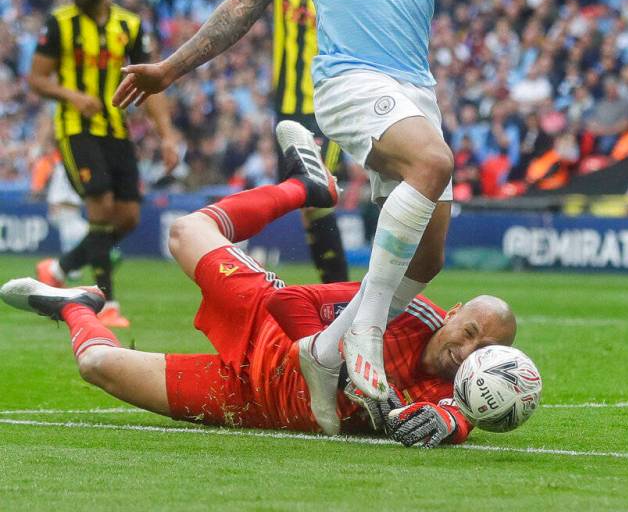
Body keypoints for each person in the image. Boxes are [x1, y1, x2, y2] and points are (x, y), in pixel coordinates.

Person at [113, 0, 539, 401]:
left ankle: (322, 351)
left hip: (415, 88)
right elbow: (245, 4)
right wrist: (171, 69)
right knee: (434, 161)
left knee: (427, 260)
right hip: (346, 80)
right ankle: (361, 335)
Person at [0, 122, 517, 445]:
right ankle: (303, 186)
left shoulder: (463, 389)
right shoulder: (407, 309)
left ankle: (77, 304)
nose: (469, 350)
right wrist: (326, 359)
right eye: (471, 330)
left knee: (97, 366)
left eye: (486, 347)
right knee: (185, 231)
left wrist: (455, 425)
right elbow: (293, 301)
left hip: (252, 404)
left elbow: (461, 415)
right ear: (451, 313)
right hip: (261, 322)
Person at [172, 0, 349, 284]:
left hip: (327, 106)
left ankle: (341, 295)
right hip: (285, 111)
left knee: (316, 198)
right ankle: (338, 297)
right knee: (311, 208)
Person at [28, 0, 179, 327]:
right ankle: (106, 304)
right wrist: (73, 96)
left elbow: (151, 85)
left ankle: (59, 268)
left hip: (116, 129)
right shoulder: (59, 23)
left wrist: (166, 136)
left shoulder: (128, 25)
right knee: (101, 206)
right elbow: (37, 78)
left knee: (127, 217)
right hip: (76, 129)